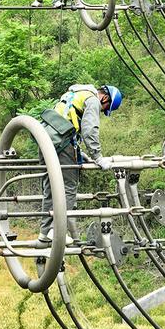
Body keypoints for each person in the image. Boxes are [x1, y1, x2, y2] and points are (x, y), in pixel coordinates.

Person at [39, 84, 123, 243]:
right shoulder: (93, 100)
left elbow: (67, 120)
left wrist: (80, 153)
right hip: (62, 143)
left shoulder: (74, 94)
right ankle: (58, 231)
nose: (102, 110)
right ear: (105, 98)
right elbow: (90, 129)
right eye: (104, 108)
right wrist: (98, 157)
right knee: (68, 187)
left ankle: (45, 232)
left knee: (50, 186)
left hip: (45, 139)